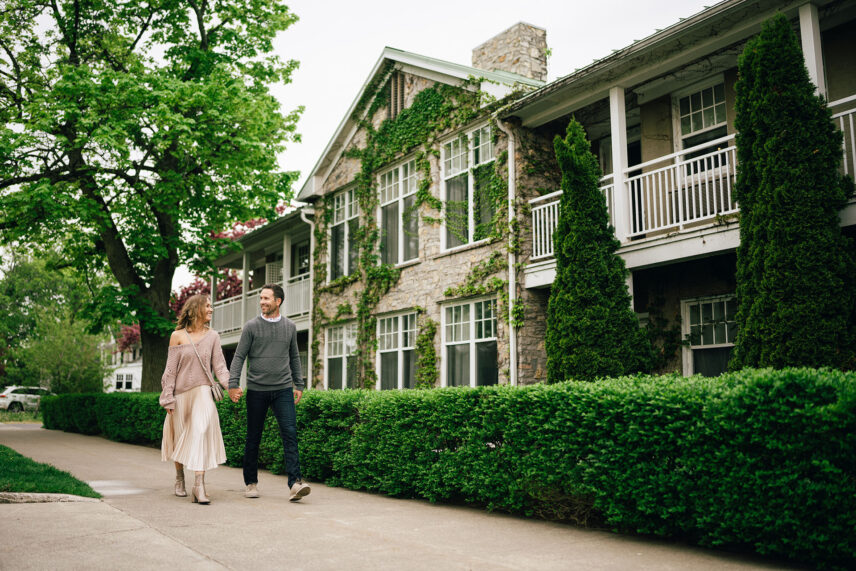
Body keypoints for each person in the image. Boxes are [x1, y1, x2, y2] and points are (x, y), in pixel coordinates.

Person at [228, 283, 310, 501]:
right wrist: (233, 383)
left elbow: (294, 357)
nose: (262, 302)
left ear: (278, 301)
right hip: (256, 390)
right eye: (261, 298)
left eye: (266, 298)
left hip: (283, 389)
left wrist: (298, 384)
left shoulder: (290, 327)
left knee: (290, 434)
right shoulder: (251, 327)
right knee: (254, 437)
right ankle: (251, 483)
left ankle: (295, 483)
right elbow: (239, 357)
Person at [159, 294, 235, 504]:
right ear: (195, 309)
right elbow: (170, 371)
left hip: (202, 391)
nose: (211, 309)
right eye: (208, 306)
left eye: (212, 306)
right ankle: (180, 478)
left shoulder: (213, 336)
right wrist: (167, 398)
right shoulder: (177, 336)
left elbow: (219, 366)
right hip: (181, 394)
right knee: (179, 437)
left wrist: (232, 386)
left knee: (200, 431)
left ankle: (199, 485)